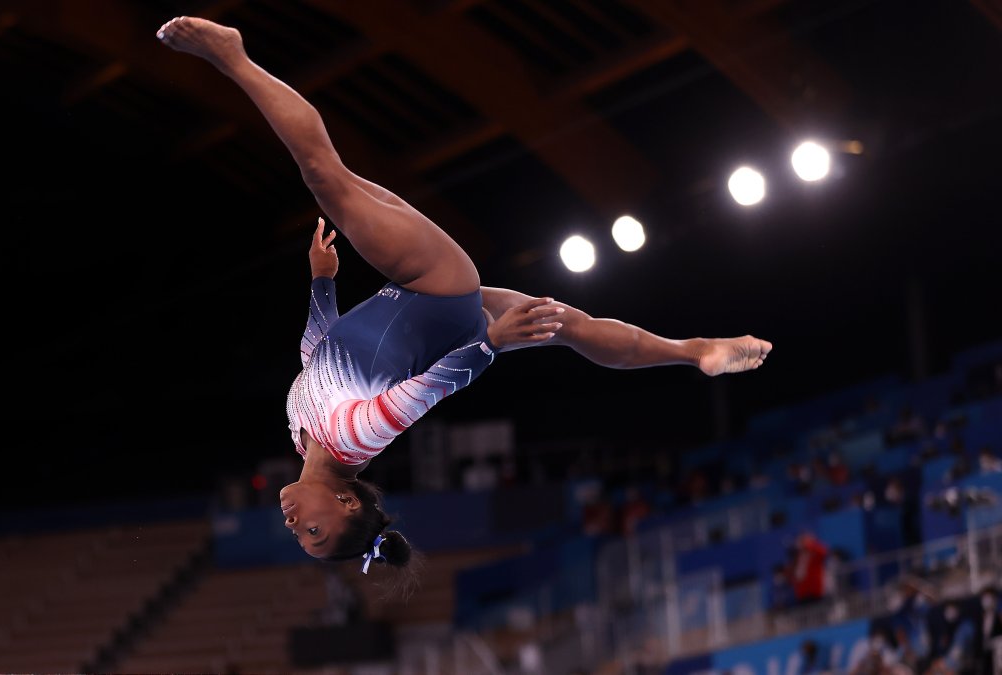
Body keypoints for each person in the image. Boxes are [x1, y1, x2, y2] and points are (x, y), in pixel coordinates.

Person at [154, 16, 774, 584]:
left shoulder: (302, 431)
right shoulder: (355, 440)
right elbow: (433, 387)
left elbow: (318, 354)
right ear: (347, 501)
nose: (295, 526)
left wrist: (322, 284)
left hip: (425, 298)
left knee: (572, 327)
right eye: (315, 531)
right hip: (435, 286)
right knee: (324, 175)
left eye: (301, 539)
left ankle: (694, 350)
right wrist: (490, 342)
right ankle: (233, 58)